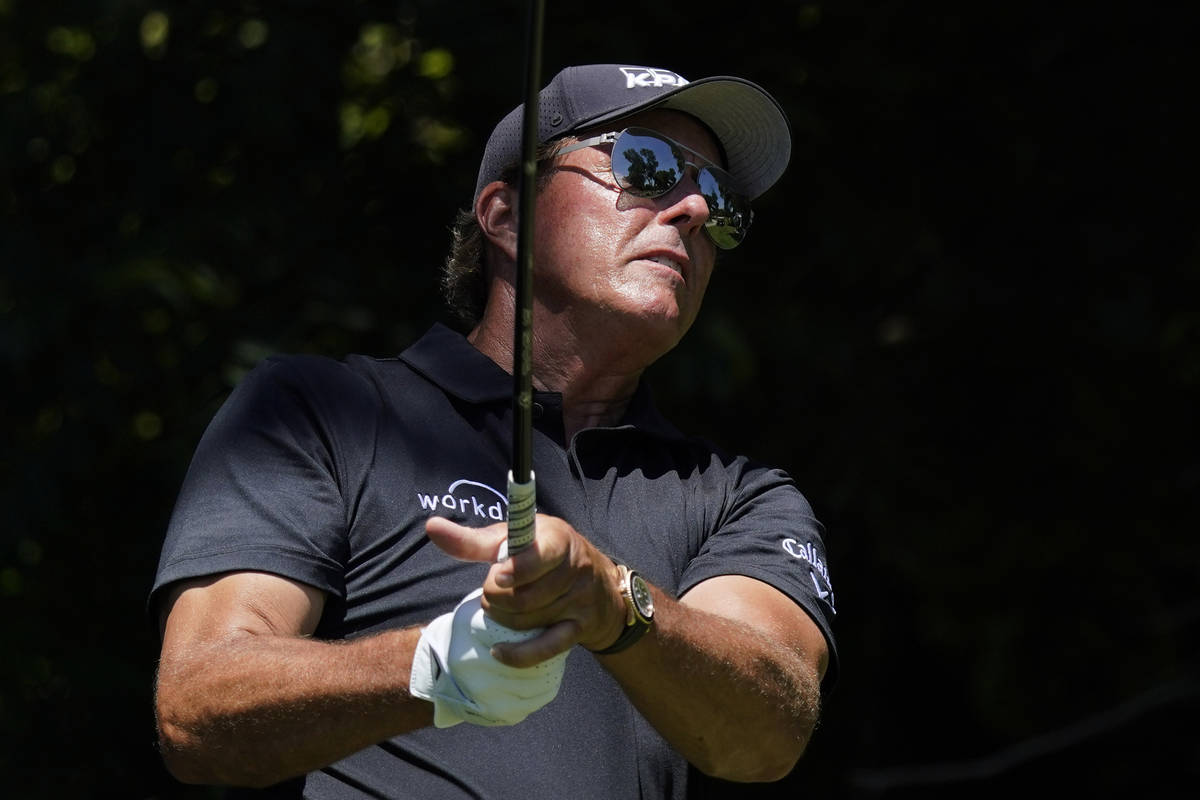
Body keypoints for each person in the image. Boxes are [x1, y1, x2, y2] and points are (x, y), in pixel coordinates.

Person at [151, 63, 839, 799]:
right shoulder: (322, 410)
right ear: (506, 216)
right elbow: (197, 703)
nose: (695, 211)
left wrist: (612, 600)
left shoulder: (739, 497)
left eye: (720, 199)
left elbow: (769, 730)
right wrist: (434, 667)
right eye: (648, 165)